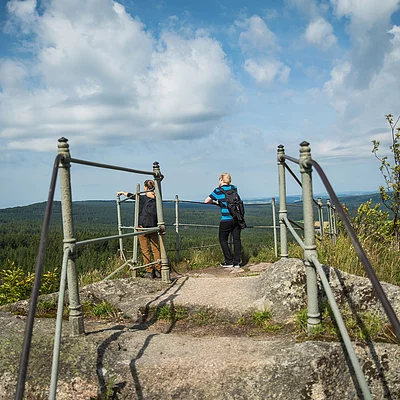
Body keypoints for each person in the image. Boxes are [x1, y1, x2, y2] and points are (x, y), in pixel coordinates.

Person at [117, 179, 161, 279]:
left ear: (145, 187)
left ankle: (149, 271)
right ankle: (159, 270)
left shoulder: (141, 197)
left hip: (142, 226)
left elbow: (131, 195)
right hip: (154, 225)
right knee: (155, 249)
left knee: (145, 249)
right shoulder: (157, 198)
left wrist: (122, 192)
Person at [205, 173, 242, 268]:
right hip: (237, 218)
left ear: (221, 180)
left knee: (222, 239)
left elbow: (207, 201)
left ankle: (229, 261)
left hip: (226, 219)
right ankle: (237, 262)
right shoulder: (234, 188)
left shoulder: (218, 191)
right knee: (236, 240)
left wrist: (216, 202)